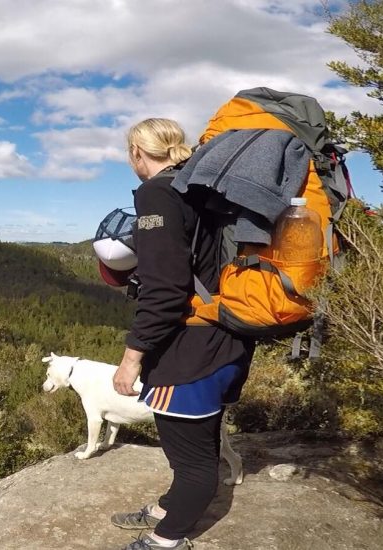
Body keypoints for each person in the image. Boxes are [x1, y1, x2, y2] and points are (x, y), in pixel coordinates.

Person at [109, 118, 255, 550]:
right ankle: (168, 506)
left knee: (193, 460)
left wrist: (131, 356)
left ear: (137, 152)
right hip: (227, 340)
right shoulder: (201, 189)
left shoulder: (157, 194)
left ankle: (167, 538)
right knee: (198, 442)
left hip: (189, 354)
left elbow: (166, 289)